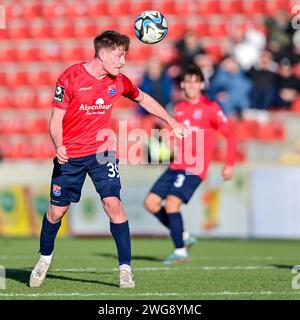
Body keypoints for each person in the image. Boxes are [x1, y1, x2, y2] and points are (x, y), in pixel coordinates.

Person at [29, 30, 187, 288]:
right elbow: (56, 119)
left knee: (113, 204)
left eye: (124, 55)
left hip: (103, 152)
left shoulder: (120, 81)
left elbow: (144, 99)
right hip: (70, 155)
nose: (123, 61)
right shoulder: (69, 78)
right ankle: (44, 258)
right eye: (118, 55)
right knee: (57, 211)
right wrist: (58, 144)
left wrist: (171, 121)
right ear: (102, 54)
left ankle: (125, 269)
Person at [144, 65, 236, 264]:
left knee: (171, 203)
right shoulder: (179, 108)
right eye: (188, 81)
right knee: (150, 203)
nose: (191, 85)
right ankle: (183, 235)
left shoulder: (210, 108)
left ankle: (180, 252)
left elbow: (230, 134)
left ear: (202, 84)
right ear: (182, 84)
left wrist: (229, 164)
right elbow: (173, 132)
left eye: (195, 81)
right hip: (176, 164)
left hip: (195, 166)